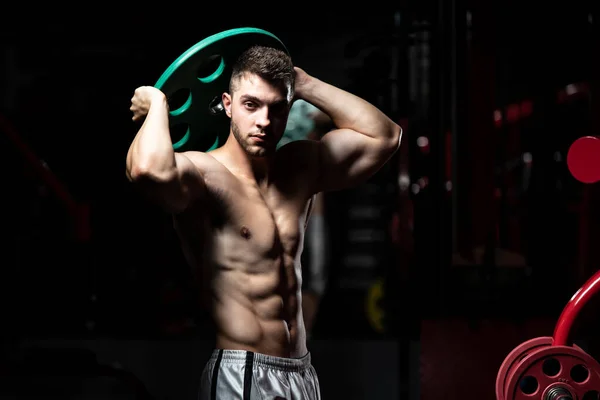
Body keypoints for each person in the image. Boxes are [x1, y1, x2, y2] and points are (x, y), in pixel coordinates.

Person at [126, 44, 402, 400]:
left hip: (301, 371)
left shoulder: (299, 167)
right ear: (227, 104)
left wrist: (305, 84)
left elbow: (385, 136)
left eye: (277, 107)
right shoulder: (204, 174)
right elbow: (146, 169)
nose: (264, 121)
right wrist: (159, 105)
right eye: (251, 104)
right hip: (243, 370)